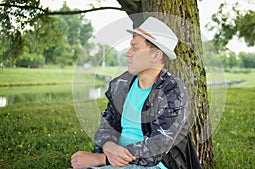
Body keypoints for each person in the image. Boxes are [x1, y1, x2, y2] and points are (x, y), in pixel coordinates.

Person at [71, 17, 200, 169]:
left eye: (135, 48)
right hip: (119, 161)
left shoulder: (173, 91)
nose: (128, 53)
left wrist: (101, 159)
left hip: (156, 165)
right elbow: (106, 126)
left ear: (156, 55)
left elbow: (156, 148)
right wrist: (109, 145)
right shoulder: (121, 85)